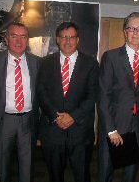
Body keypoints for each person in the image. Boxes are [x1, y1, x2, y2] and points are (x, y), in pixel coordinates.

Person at [98, 12, 139, 182]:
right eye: (131, 28)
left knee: (131, 173)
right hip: (114, 124)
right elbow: (103, 95)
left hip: (136, 125)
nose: (135, 32)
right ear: (125, 32)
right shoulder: (110, 57)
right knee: (106, 172)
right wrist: (110, 129)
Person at [37, 22, 99, 182]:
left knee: (82, 175)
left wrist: (73, 116)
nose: (68, 41)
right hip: (52, 131)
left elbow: (93, 95)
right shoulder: (45, 63)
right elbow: (41, 92)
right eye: (64, 37)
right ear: (57, 39)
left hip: (80, 131)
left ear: (78, 40)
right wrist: (55, 116)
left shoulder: (91, 64)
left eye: (72, 37)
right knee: (55, 175)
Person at [0, 23, 40, 182]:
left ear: (27, 40)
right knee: (2, 165)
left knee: (27, 166)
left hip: (28, 121)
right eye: (14, 36)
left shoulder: (37, 62)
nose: (19, 41)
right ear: (6, 39)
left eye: (23, 36)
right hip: (3, 120)